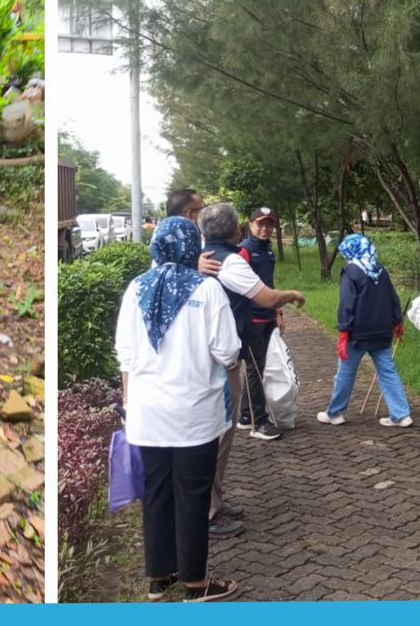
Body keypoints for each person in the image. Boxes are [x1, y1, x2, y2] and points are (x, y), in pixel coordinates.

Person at [115, 217, 240, 602]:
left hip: (147, 414)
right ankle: (195, 584)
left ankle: (158, 578)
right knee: (193, 494)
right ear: (192, 247)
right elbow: (228, 351)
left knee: (156, 493)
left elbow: (126, 356)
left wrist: (127, 402)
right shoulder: (208, 289)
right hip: (194, 415)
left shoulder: (136, 288)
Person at [199, 203, 305, 535]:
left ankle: (214, 501)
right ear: (239, 228)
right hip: (224, 351)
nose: (264, 229)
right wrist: (290, 296)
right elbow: (266, 296)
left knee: (222, 430)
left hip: (219, 348)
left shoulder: (207, 256)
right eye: (258, 224)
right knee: (218, 434)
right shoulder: (231, 259)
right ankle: (209, 510)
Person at [316, 233, 411, 428]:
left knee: (345, 372)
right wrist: (397, 322)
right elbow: (393, 297)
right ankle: (401, 414)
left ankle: (335, 413)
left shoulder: (351, 271)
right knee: (388, 372)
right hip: (382, 331)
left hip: (357, 333)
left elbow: (347, 303)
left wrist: (344, 330)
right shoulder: (380, 270)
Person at [236, 206, 285, 439]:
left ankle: (246, 416)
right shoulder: (244, 251)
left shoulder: (268, 252)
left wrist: (277, 312)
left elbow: (269, 284)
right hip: (252, 319)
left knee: (258, 368)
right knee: (255, 369)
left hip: (267, 317)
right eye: (260, 223)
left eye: (269, 224)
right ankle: (260, 422)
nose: (265, 228)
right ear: (250, 224)